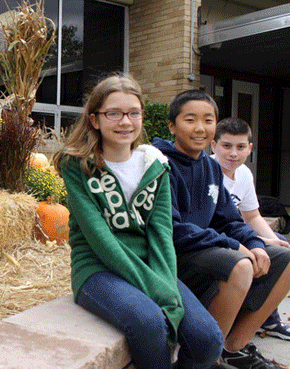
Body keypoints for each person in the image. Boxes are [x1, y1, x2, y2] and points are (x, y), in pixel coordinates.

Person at [52, 74, 223, 369]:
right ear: (95, 119)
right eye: (113, 113)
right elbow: (100, 239)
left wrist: (166, 283)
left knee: (208, 340)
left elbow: (161, 234)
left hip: (150, 266)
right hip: (97, 270)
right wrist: (157, 291)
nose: (125, 122)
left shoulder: (156, 167)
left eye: (133, 113)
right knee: (149, 321)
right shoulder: (76, 165)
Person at [152, 90, 290, 369]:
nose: (200, 128)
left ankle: (233, 348)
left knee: (284, 258)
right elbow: (172, 228)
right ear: (172, 125)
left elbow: (231, 219)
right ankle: (207, 357)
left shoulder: (211, 168)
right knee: (239, 265)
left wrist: (256, 243)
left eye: (208, 119)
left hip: (205, 251)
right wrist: (232, 245)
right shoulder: (159, 164)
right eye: (190, 120)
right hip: (174, 255)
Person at [211, 117, 290, 341]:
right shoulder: (208, 172)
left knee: (279, 243)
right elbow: (209, 225)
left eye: (240, 147)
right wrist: (260, 242)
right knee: (267, 249)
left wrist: (271, 238)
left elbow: (252, 215)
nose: (233, 153)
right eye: (226, 146)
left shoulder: (244, 173)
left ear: (250, 149)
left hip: (239, 231)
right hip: (219, 237)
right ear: (214, 145)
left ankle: (268, 319)